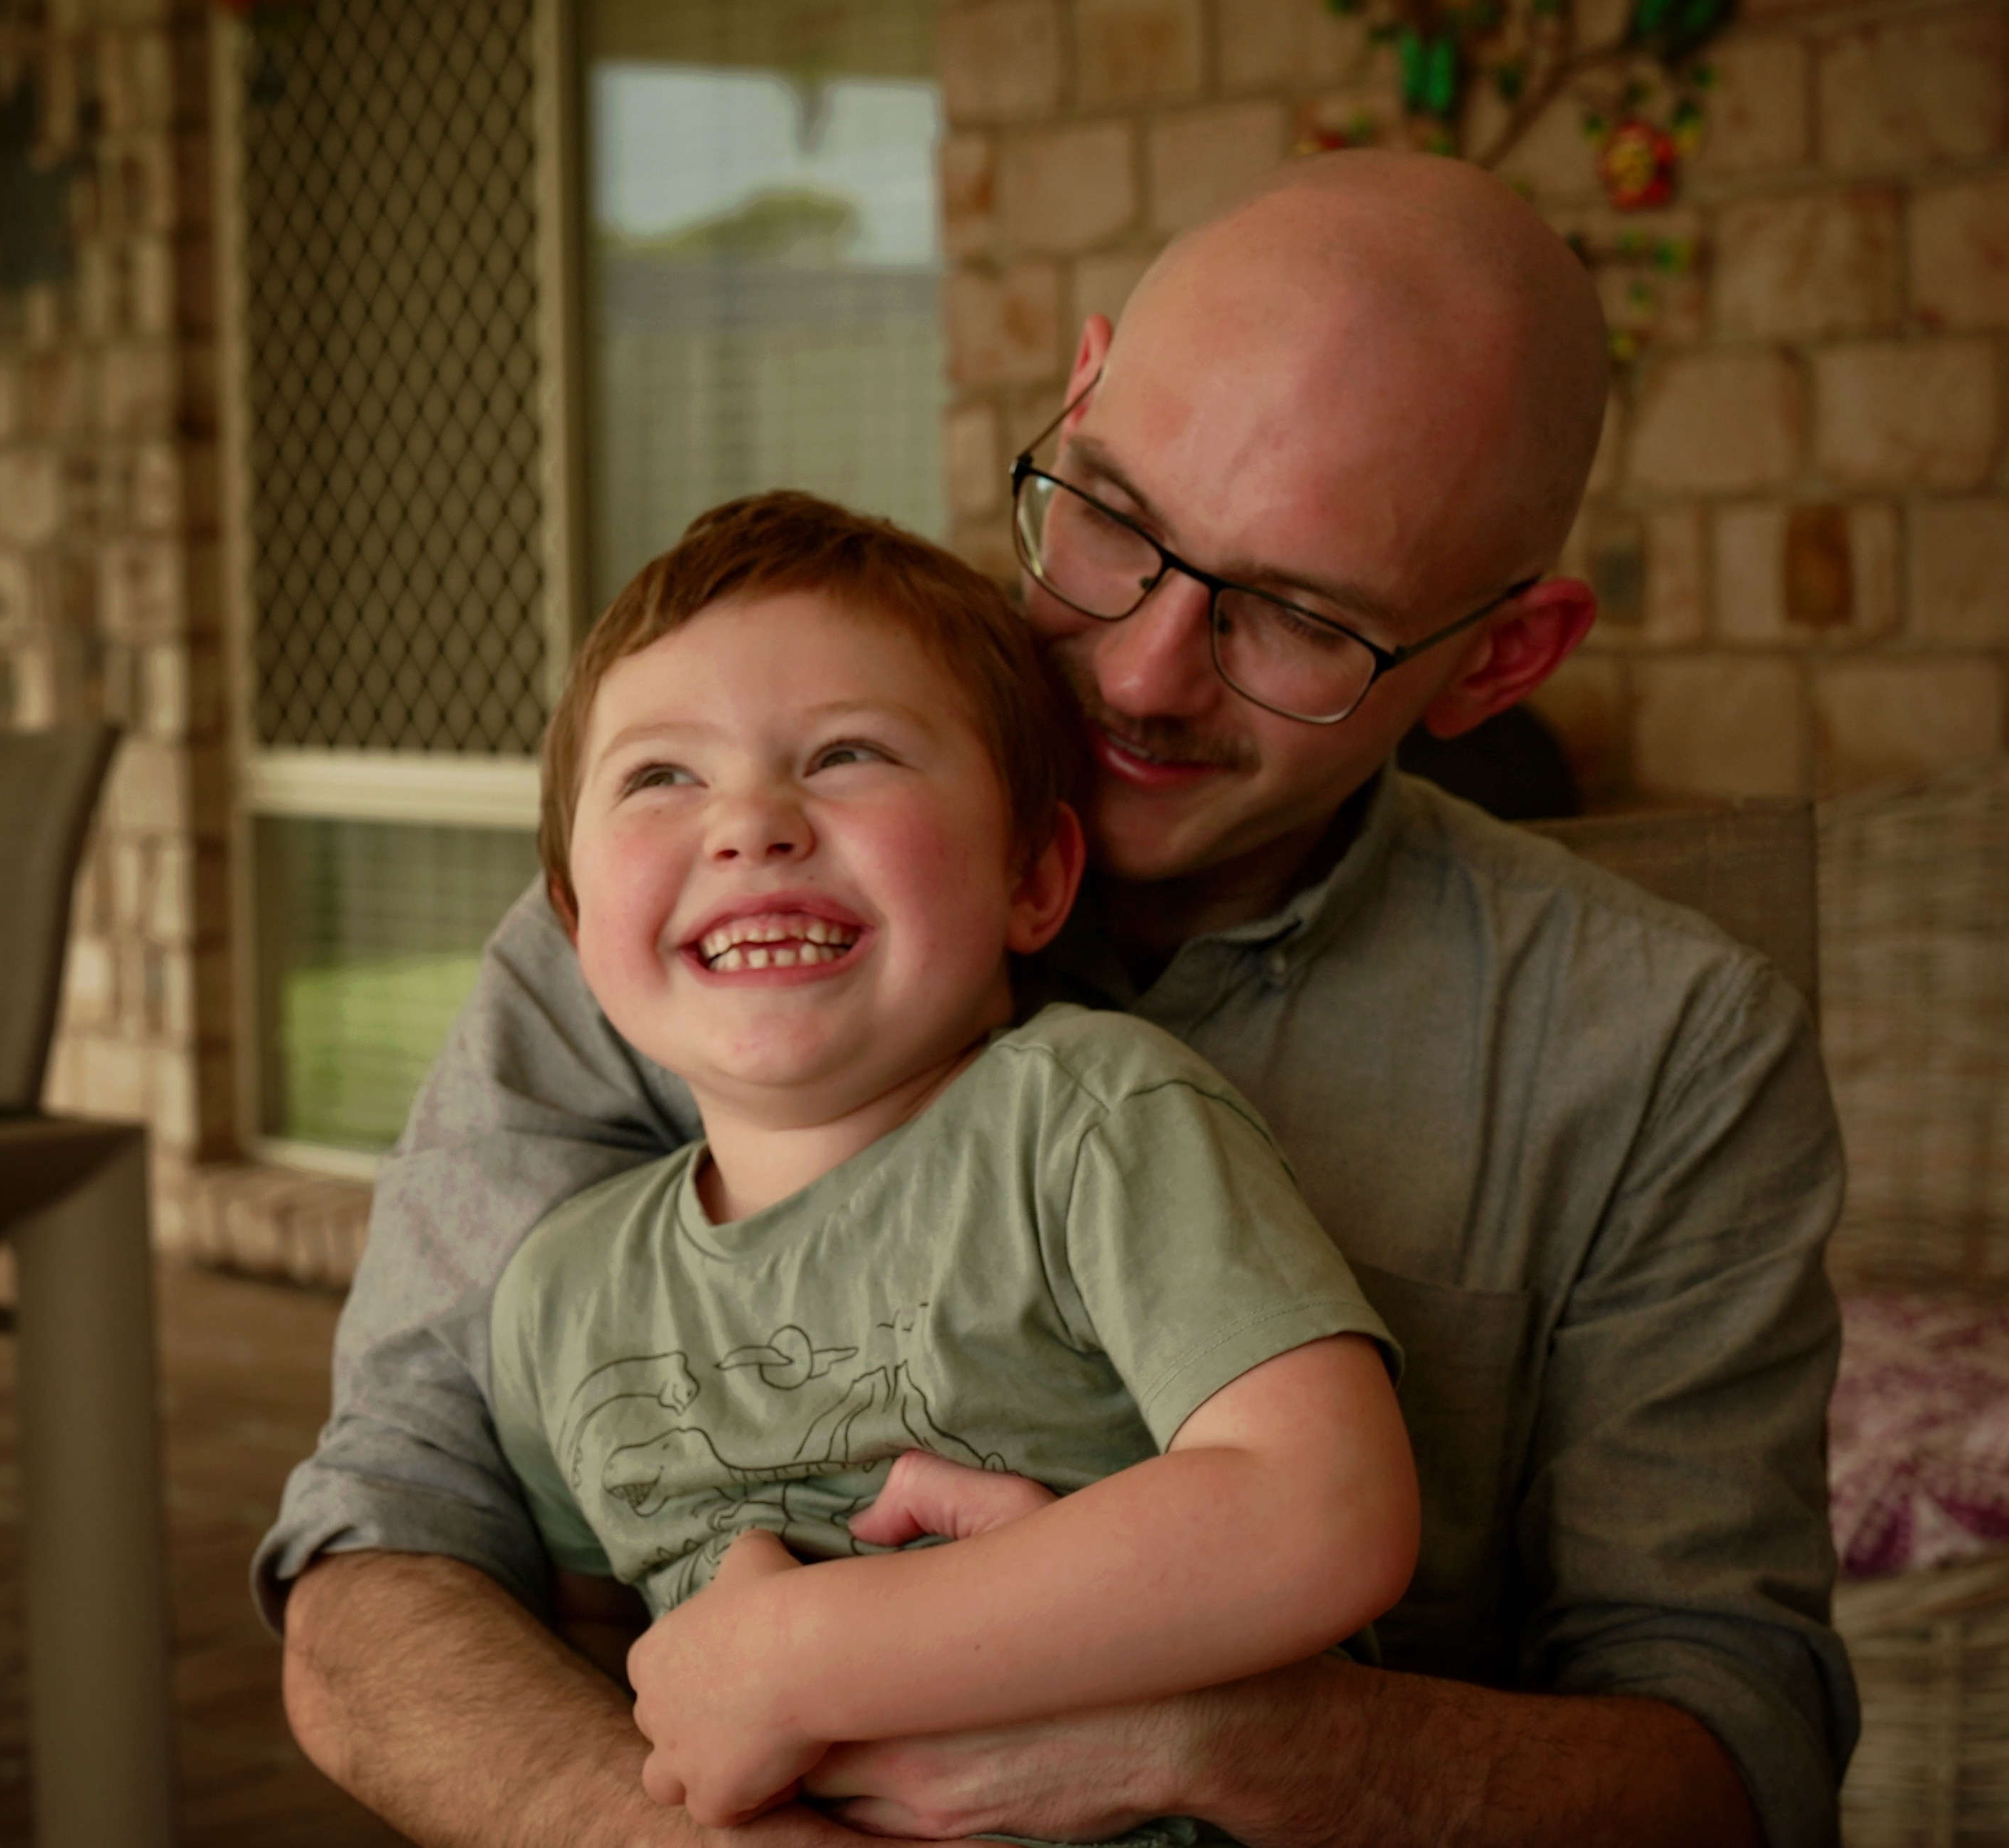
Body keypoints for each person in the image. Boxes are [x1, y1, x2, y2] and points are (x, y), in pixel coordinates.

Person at [264, 149, 1855, 1848]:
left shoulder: (1658, 1047)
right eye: (1110, 520)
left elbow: (1728, 1763)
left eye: (1300, 619)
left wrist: (1216, 1741)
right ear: (1076, 390)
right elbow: (382, 1576)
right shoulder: (691, 911)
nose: (1142, 671)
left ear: (1500, 659)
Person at [490, 488, 1416, 1841]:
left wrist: (800, 1653)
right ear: (574, 923)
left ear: (1034, 877)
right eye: (661, 775)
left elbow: (1323, 1506)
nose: (752, 822)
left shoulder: (1087, 1120)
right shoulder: (557, 1298)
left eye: (849, 753)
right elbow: (592, 1667)